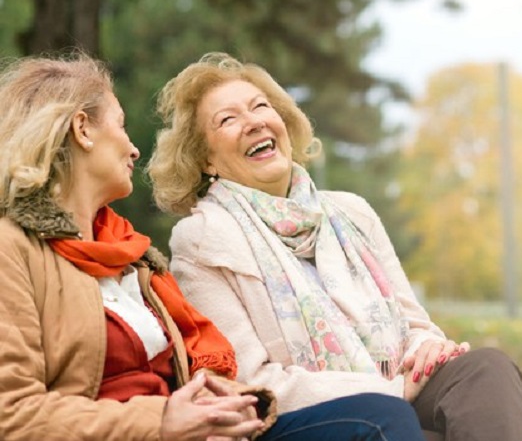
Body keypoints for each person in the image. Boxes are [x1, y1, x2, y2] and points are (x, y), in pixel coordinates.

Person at [0, 53, 426, 441]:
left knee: (456, 384)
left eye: (261, 107)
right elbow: (12, 416)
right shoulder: (12, 250)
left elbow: (202, 368)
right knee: (381, 419)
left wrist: (222, 409)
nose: (134, 148)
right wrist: (163, 419)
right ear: (81, 129)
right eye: (122, 124)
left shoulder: (134, 260)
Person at [148, 52, 522, 441]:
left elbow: (415, 324)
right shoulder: (202, 239)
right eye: (228, 119)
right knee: (387, 415)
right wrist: (390, 391)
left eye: (260, 106)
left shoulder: (352, 212)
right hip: (317, 414)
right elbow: (251, 380)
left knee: (486, 368)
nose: (253, 122)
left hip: (401, 385)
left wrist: (426, 349)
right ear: (207, 161)